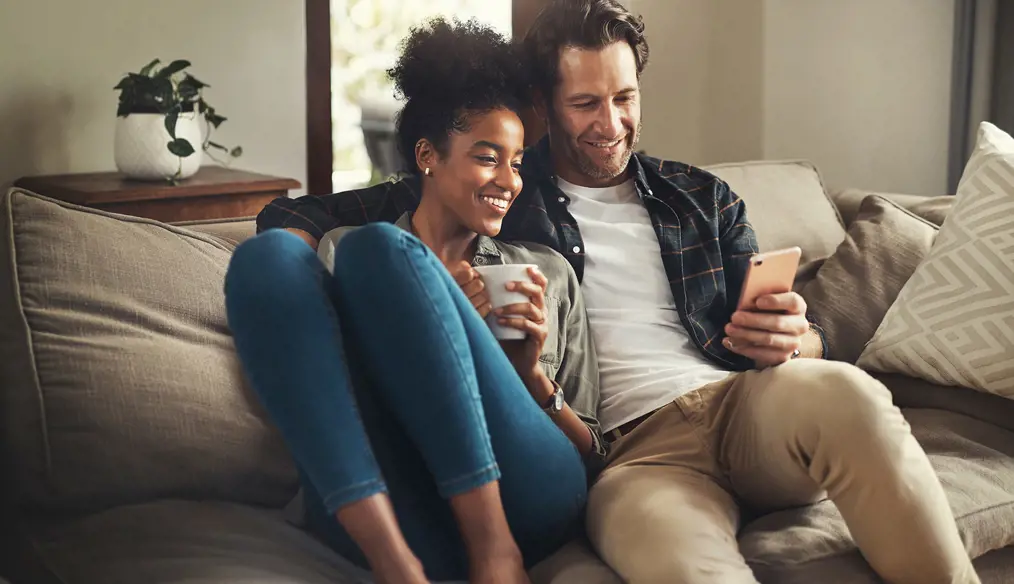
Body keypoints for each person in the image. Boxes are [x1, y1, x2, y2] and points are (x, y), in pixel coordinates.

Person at [255, 2, 980, 583]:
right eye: (585, 104)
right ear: (544, 105)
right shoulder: (503, 184)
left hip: (745, 406)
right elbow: (309, 214)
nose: (611, 125)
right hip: (631, 458)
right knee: (682, 566)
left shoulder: (701, 197)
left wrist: (802, 335)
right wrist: (292, 260)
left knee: (848, 394)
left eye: (624, 98)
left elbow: (800, 326)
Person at [225, 18, 604, 584]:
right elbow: (342, 395)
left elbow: (594, 456)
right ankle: (396, 565)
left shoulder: (546, 273)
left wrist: (527, 376)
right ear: (428, 155)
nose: (510, 180)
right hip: (399, 504)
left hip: (526, 494)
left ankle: (495, 552)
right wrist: (434, 312)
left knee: (383, 250)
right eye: (486, 156)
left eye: (517, 161)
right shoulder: (344, 254)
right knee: (268, 258)